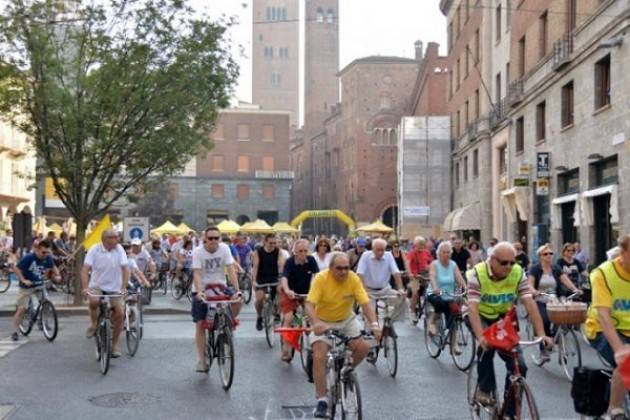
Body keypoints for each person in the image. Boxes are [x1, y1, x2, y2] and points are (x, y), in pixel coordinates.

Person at [467, 242, 551, 408]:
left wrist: (541, 333)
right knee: (487, 347)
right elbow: (472, 308)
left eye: (512, 262)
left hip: (502, 317)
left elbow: (530, 303)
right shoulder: (477, 273)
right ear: (491, 260)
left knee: (519, 365)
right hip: (481, 315)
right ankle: (484, 389)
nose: (509, 266)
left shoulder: (518, 273)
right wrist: (480, 336)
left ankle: (510, 409)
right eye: (504, 262)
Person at [306, 253, 381, 418]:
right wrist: (316, 322)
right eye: (339, 268)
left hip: (346, 320)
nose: (343, 272)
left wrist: (375, 324)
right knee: (319, 355)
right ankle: (322, 400)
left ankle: (346, 372)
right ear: (331, 268)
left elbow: (365, 303)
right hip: (323, 321)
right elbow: (309, 304)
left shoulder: (353, 279)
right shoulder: (321, 279)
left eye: (346, 268)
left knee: (363, 348)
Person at [585, 235, 630, 420]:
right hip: (602, 329)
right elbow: (603, 315)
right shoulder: (603, 273)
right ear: (623, 252)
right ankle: (614, 409)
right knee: (626, 359)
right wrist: (619, 349)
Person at [191, 226, 242, 373]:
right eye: (210, 238)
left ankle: (227, 325)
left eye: (216, 238)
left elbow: (231, 269)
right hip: (202, 289)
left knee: (238, 300)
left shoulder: (224, 248)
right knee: (200, 324)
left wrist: (237, 289)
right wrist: (200, 291)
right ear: (205, 239)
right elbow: (197, 274)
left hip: (220, 286)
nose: (214, 241)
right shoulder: (198, 252)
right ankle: (202, 360)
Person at [81, 230, 129, 358]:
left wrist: (123, 287)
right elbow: (85, 269)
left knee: (120, 313)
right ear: (105, 239)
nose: (117, 239)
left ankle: (114, 345)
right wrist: (85, 288)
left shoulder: (119, 249)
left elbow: (125, 269)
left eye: (117, 237)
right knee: (94, 301)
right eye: (114, 237)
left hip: (115, 287)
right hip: (97, 285)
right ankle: (93, 323)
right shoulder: (94, 249)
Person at [528, 244, 580, 362]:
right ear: (540, 256)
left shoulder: (555, 268)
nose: (549, 256)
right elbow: (530, 284)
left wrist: (574, 289)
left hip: (555, 300)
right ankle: (544, 349)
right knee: (544, 320)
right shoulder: (535, 269)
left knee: (563, 318)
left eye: (551, 253)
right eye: (546, 254)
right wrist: (534, 291)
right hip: (541, 300)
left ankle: (555, 338)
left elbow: (565, 280)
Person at [11, 240, 60, 341]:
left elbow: (53, 267)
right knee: (22, 309)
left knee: (47, 304)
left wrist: (57, 275)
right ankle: (15, 331)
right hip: (26, 287)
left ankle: (41, 321)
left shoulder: (48, 258)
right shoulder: (29, 258)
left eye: (47, 252)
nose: (45, 255)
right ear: (37, 250)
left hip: (39, 285)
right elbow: (17, 269)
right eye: (43, 252)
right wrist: (23, 280)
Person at [278, 239, 319, 361]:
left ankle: (313, 342)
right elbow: (284, 278)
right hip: (291, 292)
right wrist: (287, 290)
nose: (303, 253)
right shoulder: (290, 262)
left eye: (305, 251)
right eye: (300, 251)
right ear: (295, 251)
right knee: (289, 318)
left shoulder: (311, 260)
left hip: (306, 293)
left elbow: (317, 276)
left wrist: (314, 288)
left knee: (311, 316)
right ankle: (286, 349)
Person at [356, 238, 405, 335]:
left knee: (402, 299)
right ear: (372, 249)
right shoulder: (366, 256)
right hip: (369, 291)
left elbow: (396, 273)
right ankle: (370, 338)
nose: (380, 252)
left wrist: (400, 288)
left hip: (384, 289)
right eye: (378, 250)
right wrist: (364, 290)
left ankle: (389, 322)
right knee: (369, 317)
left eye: (382, 250)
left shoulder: (389, 255)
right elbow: (360, 274)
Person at [426, 242, 467, 353]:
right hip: (434, 293)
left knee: (454, 316)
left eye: (448, 252)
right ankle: (432, 322)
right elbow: (433, 277)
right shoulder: (435, 264)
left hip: (449, 295)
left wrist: (466, 289)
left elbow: (459, 279)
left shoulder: (453, 264)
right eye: (444, 252)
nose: (446, 254)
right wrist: (435, 288)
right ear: (439, 253)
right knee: (440, 304)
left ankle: (454, 345)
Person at [252, 233, 286, 331]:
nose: (273, 245)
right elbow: (255, 267)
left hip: (274, 277)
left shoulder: (278, 251)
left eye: (274, 243)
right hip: (261, 278)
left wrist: (280, 279)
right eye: (270, 243)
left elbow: (281, 265)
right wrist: (254, 281)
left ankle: (278, 314)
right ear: (265, 242)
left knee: (280, 295)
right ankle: (259, 316)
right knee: (259, 298)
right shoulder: (258, 252)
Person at [406, 236, 433, 323]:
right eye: (419, 244)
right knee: (415, 293)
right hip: (415, 276)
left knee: (433, 290)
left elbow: (432, 263)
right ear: (415, 244)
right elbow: (408, 263)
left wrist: (432, 269)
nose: (421, 246)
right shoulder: (412, 253)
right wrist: (410, 273)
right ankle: (412, 311)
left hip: (425, 275)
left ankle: (431, 307)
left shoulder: (426, 253)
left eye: (422, 244)